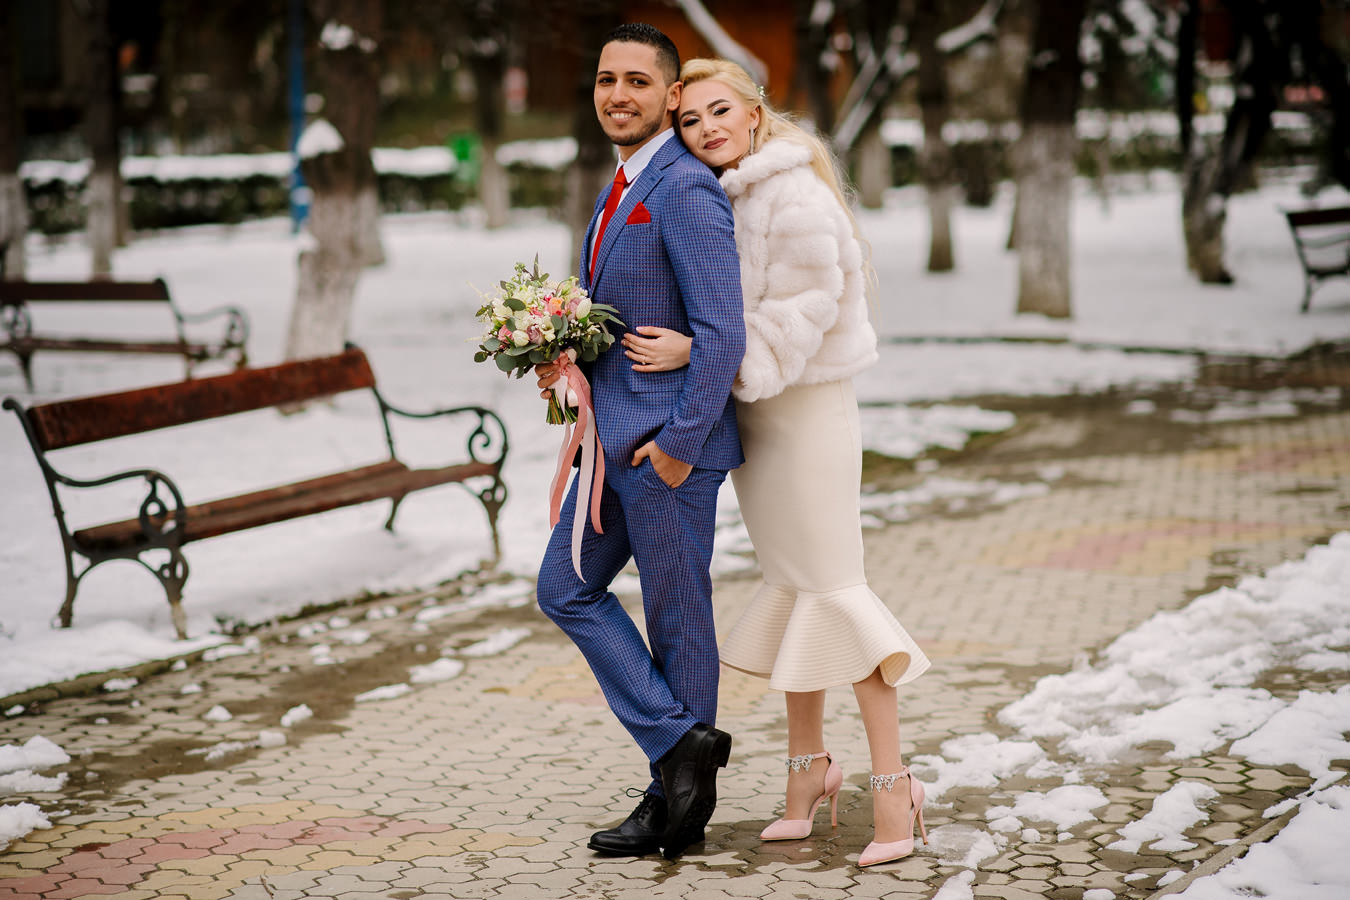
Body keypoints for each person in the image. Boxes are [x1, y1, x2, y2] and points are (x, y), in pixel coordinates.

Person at [620, 57, 932, 867]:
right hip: (757, 418)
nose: (706, 129)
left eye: (720, 112)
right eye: (691, 120)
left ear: (755, 113)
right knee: (795, 594)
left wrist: (699, 353)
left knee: (836, 593)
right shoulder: (726, 193)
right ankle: (808, 775)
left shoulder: (792, 195)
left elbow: (803, 313)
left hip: (809, 416)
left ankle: (895, 788)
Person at [532, 26, 746, 861]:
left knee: (677, 622)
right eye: (605, 79)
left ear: (670, 94)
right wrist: (563, 351)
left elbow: (721, 334)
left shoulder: (684, 188)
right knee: (564, 588)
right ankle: (679, 743)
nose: (617, 94)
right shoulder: (620, 182)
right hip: (608, 446)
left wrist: (678, 448)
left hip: (666, 450)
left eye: (637, 81)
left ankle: (676, 806)